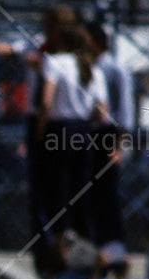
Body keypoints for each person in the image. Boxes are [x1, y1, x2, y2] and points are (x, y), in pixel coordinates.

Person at [0, 6, 78, 276]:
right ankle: (48, 253)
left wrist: (41, 129)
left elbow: (48, 100)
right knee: (44, 194)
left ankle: (63, 253)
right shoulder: (42, 52)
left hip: (54, 126)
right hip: (53, 126)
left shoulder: (67, 61)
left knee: (61, 193)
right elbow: (11, 51)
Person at [39, 23, 109, 249]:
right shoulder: (93, 70)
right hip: (84, 130)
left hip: (60, 128)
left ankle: (59, 241)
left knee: (57, 188)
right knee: (81, 190)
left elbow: (46, 102)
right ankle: (85, 239)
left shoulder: (55, 63)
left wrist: (40, 131)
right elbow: (102, 112)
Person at [84, 20, 135, 259]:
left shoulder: (115, 71)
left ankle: (115, 250)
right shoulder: (86, 69)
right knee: (91, 199)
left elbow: (124, 114)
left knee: (108, 199)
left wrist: (118, 147)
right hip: (90, 138)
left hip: (108, 138)